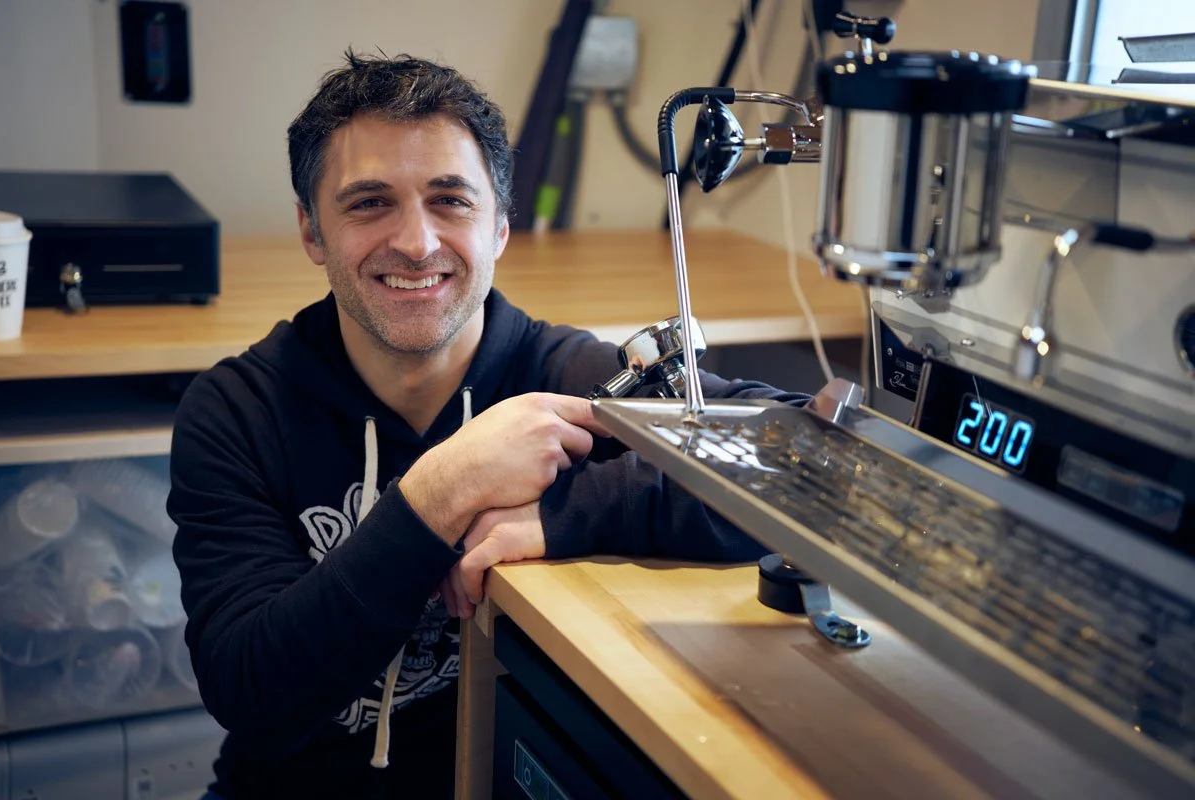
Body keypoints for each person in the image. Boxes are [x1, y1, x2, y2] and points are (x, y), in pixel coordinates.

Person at [167, 49, 811, 800]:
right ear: (312, 232)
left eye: (451, 200)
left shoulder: (560, 374)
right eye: (369, 203)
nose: (416, 244)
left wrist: (574, 511)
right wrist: (441, 490)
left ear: (501, 227)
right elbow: (254, 694)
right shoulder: (234, 413)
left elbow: (809, 459)